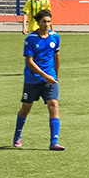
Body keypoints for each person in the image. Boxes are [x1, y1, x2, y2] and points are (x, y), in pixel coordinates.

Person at [13, 9, 64, 151]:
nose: (47, 24)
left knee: (53, 104)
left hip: (50, 79)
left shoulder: (55, 37)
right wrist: (45, 75)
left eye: (49, 21)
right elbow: (29, 61)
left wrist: (56, 76)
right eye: (44, 22)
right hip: (32, 80)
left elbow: (56, 57)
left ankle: (54, 141)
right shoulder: (31, 38)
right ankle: (17, 135)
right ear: (38, 22)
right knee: (26, 108)